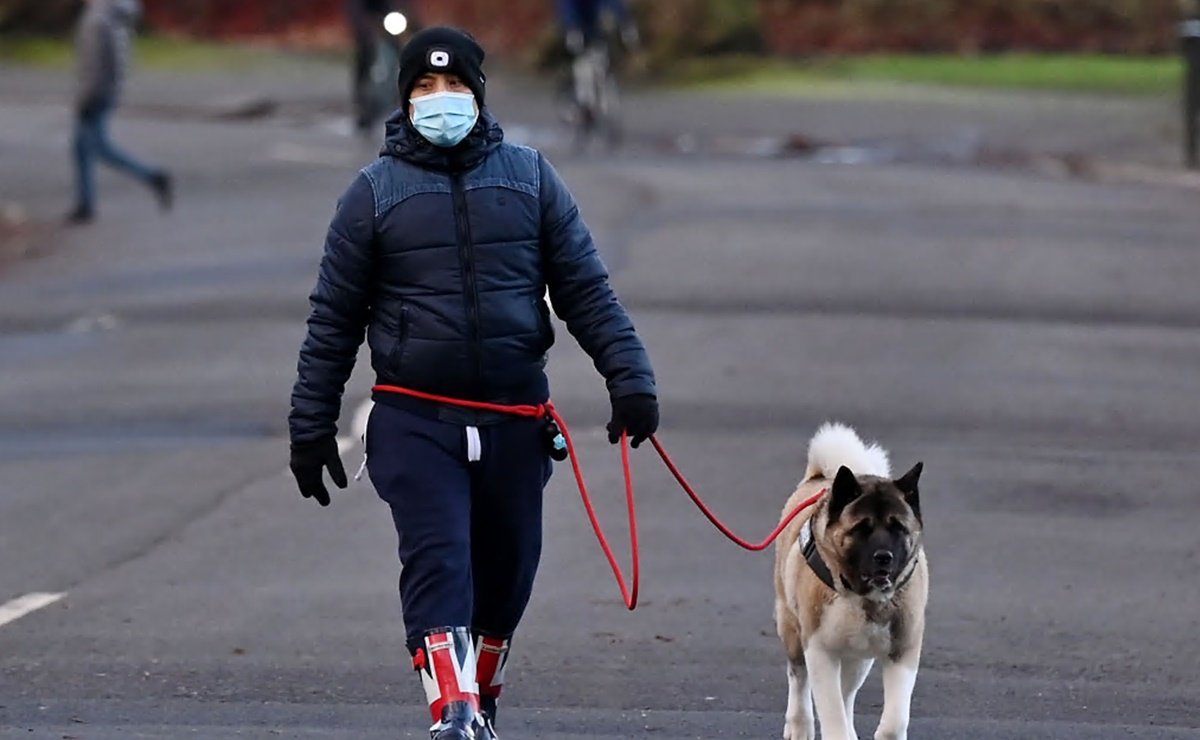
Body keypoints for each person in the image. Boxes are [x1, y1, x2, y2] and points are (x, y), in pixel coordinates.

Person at [287, 26, 659, 740]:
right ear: (404, 99)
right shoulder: (372, 195)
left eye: (454, 84)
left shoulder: (531, 179)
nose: (441, 98)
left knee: (508, 573)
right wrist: (311, 426)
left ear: (479, 94)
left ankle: (479, 702)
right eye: (425, 87)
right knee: (439, 561)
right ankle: (452, 715)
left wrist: (630, 379)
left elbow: (586, 290)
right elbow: (332, 320)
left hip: (515, 419)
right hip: (414, 419)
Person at [66, 0, 172, 225]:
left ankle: (152, 177)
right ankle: (85, 203)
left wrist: (85, 99)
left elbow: (95, 66)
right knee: (81, 148)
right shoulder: (113, 16)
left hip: (96, 94)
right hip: (105, 91)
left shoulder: (98, 20)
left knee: (99, 148)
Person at [346, 0, 413, 132]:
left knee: (403, 52)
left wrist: (411, 21)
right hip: (369, 21)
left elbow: (405, 6)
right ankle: (363, 106)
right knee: (366, 54)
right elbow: (356, 8)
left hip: (390, 21)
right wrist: (364, 25)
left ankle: (404, 99)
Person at [555, 0, 639, 56]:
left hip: (601, 30)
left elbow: (614, 4)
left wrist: (625, 23)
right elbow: (567, 6)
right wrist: (572, 27)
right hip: (582, 30)